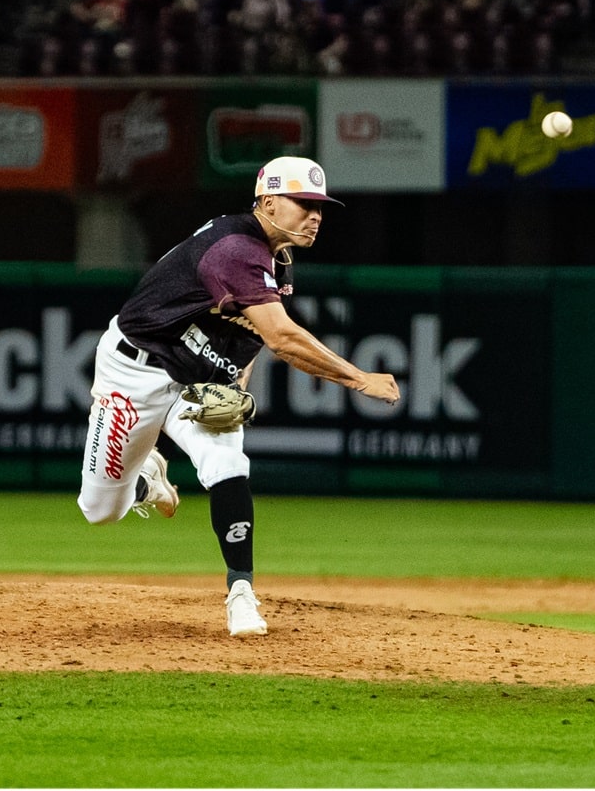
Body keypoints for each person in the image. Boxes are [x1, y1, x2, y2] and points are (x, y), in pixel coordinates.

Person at [75, 156, 402, 636]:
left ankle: (241, 594)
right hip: (133, 370)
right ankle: (147, 477)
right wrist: (357, 378)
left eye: (320, 207)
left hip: (196, 382)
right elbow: (282, 338)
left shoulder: (280, 259)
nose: (315, 215)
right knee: (99, 511)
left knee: (228, 466)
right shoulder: (235, 248)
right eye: (303, 203)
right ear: (268, 202)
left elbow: (247, 333)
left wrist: (235, 389)